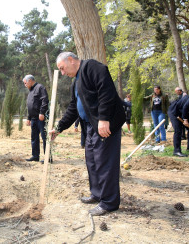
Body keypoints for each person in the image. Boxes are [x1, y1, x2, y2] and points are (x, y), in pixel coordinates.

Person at [50, 52, 125, 216]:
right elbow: (73, 108)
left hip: (105, 125)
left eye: (62, 68)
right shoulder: (75, 82)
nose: (62, 73)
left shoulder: (92, 67)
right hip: (89, 127)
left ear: (71, 60)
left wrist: (104, 119)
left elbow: (107, 92)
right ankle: (97, 194)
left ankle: (109, 203)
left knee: (105, 163)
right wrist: (60, 127)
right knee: (92, 161)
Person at [23, 74, 49, 163]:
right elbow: (30, 105)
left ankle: (48, 157)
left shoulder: (40, 87)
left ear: (30, 80)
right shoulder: (30, 91)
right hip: (33, 119)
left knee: (45, 137)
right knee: (34, 138)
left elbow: (45, 100)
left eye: (25, 83)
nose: (25, 85)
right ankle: (35, 156)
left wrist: (42, 112)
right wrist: (28, 118)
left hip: (41, 118)